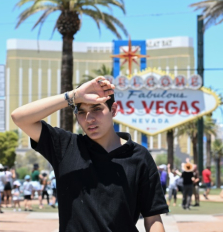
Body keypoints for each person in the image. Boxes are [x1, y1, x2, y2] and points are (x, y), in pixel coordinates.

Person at [11, 76, 168, 231]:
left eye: (97, 109)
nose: (89, 118)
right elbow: (19, 118)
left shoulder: (138, 156)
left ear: (113, 110)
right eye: (81, 112)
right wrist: (73, 96)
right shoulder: (65, 146)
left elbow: (153, 218)